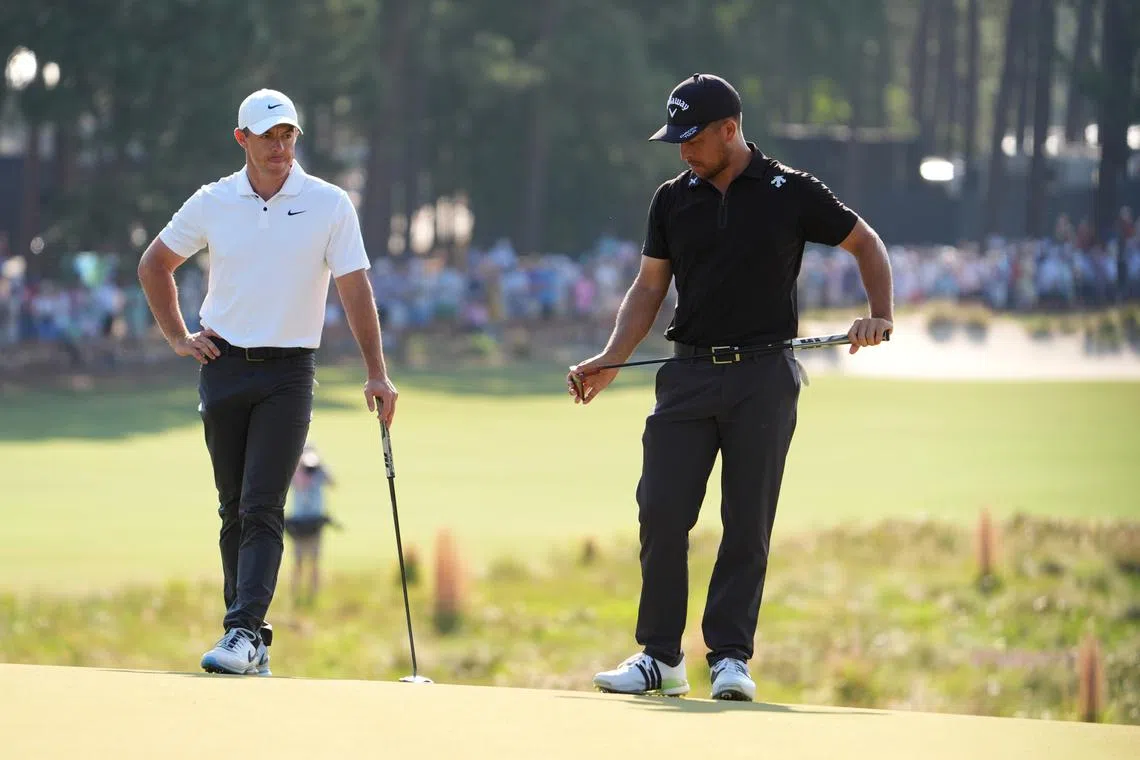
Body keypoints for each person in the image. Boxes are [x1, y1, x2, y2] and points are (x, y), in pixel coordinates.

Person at [568, 74, 893, 701]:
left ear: (730, 129)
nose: (683, 151)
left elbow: (865, 242)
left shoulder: (790, 191)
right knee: (661, 510)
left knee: (747, 521)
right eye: (675, 140)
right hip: (686, 376)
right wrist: (611, 358)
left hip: (763, 378)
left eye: (692, 138)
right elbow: (648, 289)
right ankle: (660, 657)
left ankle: (729, 659)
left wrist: (877, 311)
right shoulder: (671, 200)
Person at [137, 88, 398, 676]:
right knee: (233, 507)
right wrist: (179, 337)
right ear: (243, 140)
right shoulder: (213, 201)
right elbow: (155, 265)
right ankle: (251, 635)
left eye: (288, 136)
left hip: (289, 372)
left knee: (262, 503)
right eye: (269, 136)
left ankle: (241, 631)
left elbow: (355, 289)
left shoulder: (329, 204)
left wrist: (376, 372)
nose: (280, 147)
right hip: (221, 364)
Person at [285, 443, 340, 605]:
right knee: (298, 562)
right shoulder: (296, 473)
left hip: (315, 523)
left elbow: (333, 483)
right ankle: (295, 596)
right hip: (299, 524)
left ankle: (313, 596)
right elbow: (296, 484)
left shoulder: (319, 472)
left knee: (315, 561)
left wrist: (320, 467)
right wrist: (298, 469)